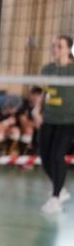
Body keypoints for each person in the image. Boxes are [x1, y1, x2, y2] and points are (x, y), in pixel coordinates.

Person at [37, 35, 74, 214]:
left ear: (68, 49)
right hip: (49, 118)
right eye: (54, 46)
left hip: (68, 120)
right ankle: (60, 189)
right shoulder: (47, 69)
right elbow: (45, 93)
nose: (55, 49)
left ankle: (55, 197)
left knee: (57, 155)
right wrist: (36, 110)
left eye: (60, 46)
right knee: (45, 157)